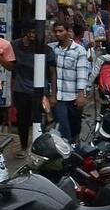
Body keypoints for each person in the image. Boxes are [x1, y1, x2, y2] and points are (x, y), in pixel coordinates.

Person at [10, 23, 55, 159]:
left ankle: (40, 148)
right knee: (22, 120)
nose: (31, 35)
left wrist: (53, 94)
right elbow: (11, 65)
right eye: (29, 32)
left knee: (42, 120)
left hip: (40, 91)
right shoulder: (16, 45)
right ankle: (24, 147)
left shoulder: (47, 50)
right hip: (21, 90)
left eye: (34, 33)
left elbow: (53, 73)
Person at [50, 20, 90, 143]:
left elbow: (82, 73)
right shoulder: (52, 49)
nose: (58, 34)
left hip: (73, 96)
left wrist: (81, 94)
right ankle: (65, 155)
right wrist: (52, 95)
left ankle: (74, 150)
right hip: (59, 97)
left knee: (75, 127)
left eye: (61, 31)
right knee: (63, 127)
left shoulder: (79, 50)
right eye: (56, 31)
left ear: (68, 32)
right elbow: (52, 72)